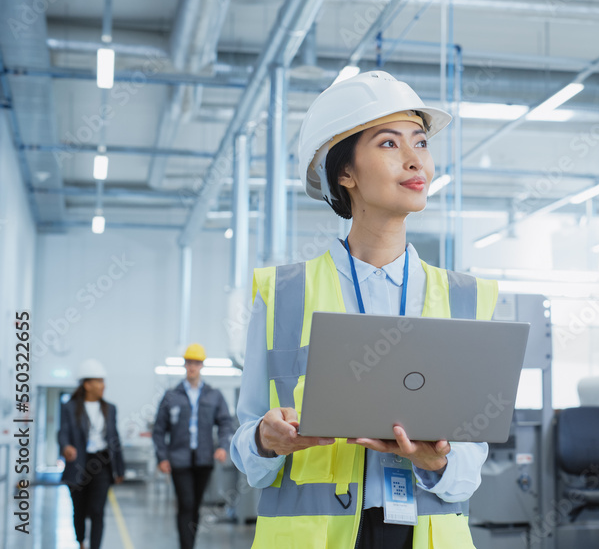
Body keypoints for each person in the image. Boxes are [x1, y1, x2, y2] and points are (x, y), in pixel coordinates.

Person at [231, 70, 498, 549]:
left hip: (426, 533)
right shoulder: (283, 294)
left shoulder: (466, 298)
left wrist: (439, 462)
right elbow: (247, 446)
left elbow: (469, 470)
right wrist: (265, 440)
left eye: (421, 142)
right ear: (345, 173)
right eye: (390, 145)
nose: (416, 159)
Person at [152, 343, 235, 549]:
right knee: (186, 504)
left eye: (196, 363)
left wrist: (223, 446)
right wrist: (162, 457)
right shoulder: (171, 396)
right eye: (189, 362)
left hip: (204, 459)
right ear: (184, 365)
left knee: (195, 506)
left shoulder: (213, 395)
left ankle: (190, 544)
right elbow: (159, 430)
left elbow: (226, 422)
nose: (192, 367)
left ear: (202, 365)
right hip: (179, 459)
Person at [58, 358, 125, 549]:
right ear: (87, 384)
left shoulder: (110, 409)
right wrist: (66, 447)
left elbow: (115, 439)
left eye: (103, 381)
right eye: (98, 381)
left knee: (97, 510)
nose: (103, 385)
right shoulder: (69, 408)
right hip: (79, 461)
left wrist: (120, 469)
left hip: (102, 463)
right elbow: (62, 433)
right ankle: (81, 542)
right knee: (78, 509)